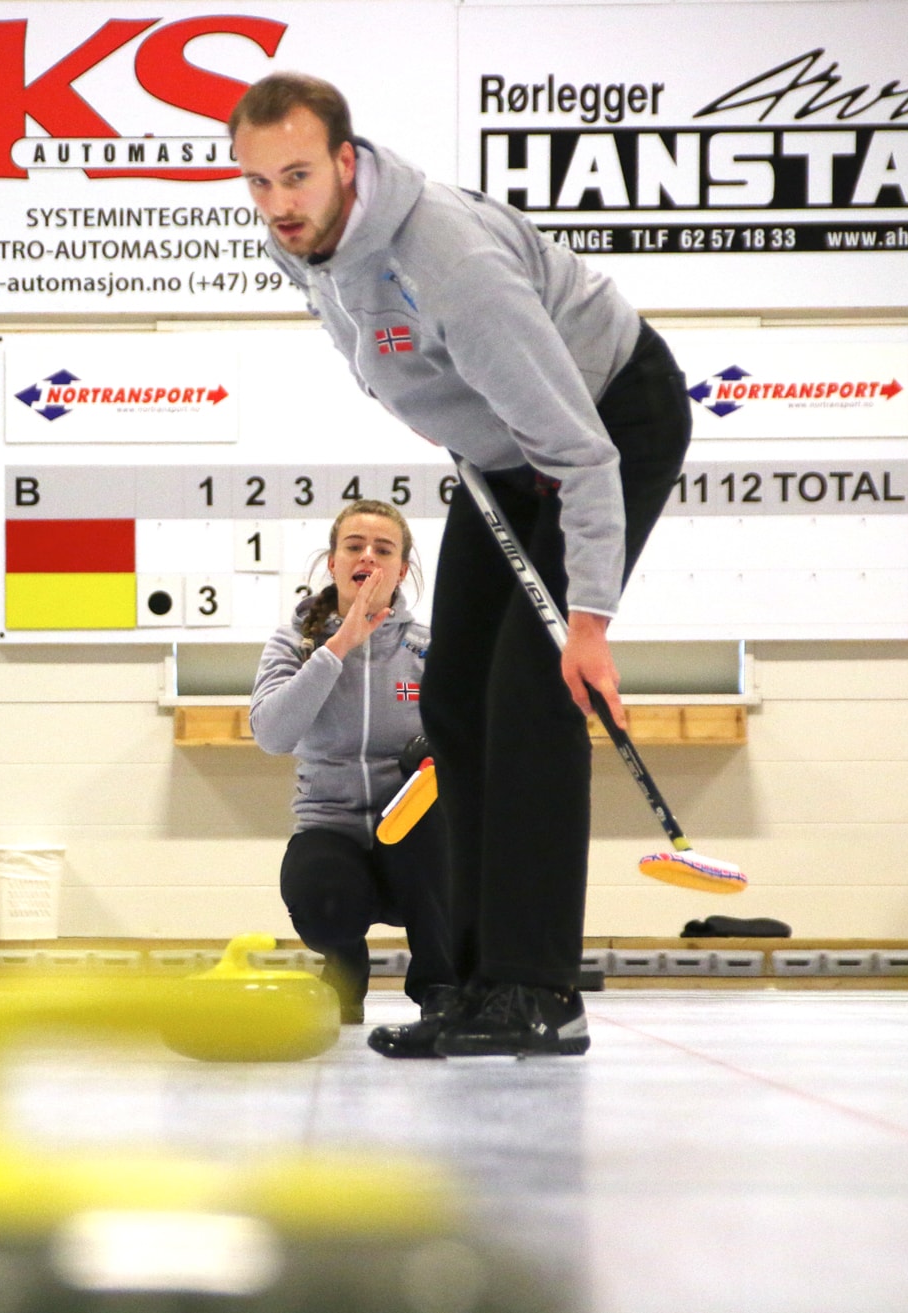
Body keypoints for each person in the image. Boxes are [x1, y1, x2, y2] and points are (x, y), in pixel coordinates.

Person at [230, 73, 693, 1058]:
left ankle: (538, 990)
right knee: (451, 698)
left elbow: (583, 452)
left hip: (605, 416)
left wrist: (589, 624)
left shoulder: (448, 261)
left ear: (345, 162)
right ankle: (475, 982)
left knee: (531, 694)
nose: (278, 205)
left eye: (297, 176)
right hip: (498, 452)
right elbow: (383, 348)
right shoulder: (298, 243)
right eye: (258, 183)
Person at [249, 499, 453, 1025]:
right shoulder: (294, 642)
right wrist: (338, 647)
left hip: (410, 832)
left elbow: (471, 739)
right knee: (321, 897)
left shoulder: (428, 649)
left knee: (444, 838)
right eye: (354, 546)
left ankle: (440, 988)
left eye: (383, 549)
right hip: (331, 829)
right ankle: (344, 971)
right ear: (333, 563)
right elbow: (272, 735)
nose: (368, 557)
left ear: (401, 570)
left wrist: (441, 751)